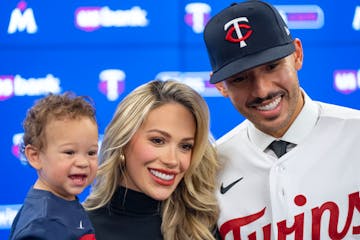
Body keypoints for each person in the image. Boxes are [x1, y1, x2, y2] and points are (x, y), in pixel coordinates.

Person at [203, 1, 360, 239]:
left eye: (272, 66)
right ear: (220, 87)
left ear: (297, 54)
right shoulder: (210, 169)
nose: (262, 90)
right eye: (239, 79)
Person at [83, 80, 219, 240]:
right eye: (158, 141)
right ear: (123, 141)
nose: (172, 161)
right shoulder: (75, 229)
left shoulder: (203, 227)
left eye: (185, 146)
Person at [10, 92, 98, 240]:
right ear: (35, 156)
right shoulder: (42, 223)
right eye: (69, 152)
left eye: (91, 152)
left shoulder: (64, 200)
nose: (83, 162)